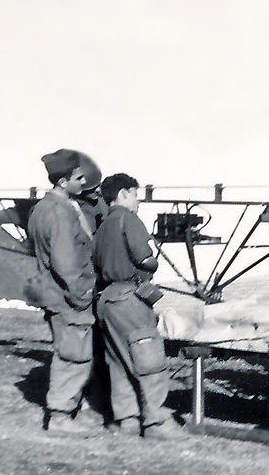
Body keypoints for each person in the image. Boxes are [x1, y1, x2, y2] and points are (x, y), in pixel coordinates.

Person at [93, 172, 189, 440]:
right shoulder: (129, 220)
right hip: (130, 298)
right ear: (123, 193)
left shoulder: (101, 227)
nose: (138, 201)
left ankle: (128, 421)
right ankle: (157, 422)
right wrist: (152, 263)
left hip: (108, 301)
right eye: (135, 194)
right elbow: (146, 259)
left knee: (119, 362)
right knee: (149, 360)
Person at [26, 148, 106, 436]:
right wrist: (82, 294)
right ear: (62, 182)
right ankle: (60, 417)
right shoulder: (60, 213)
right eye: (79, 178)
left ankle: (70, 409)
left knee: (72, 352)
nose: (84, 183)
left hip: (54, 295)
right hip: (68, 298)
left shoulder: (43, 208)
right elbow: (65, 262)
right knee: (73, 356)